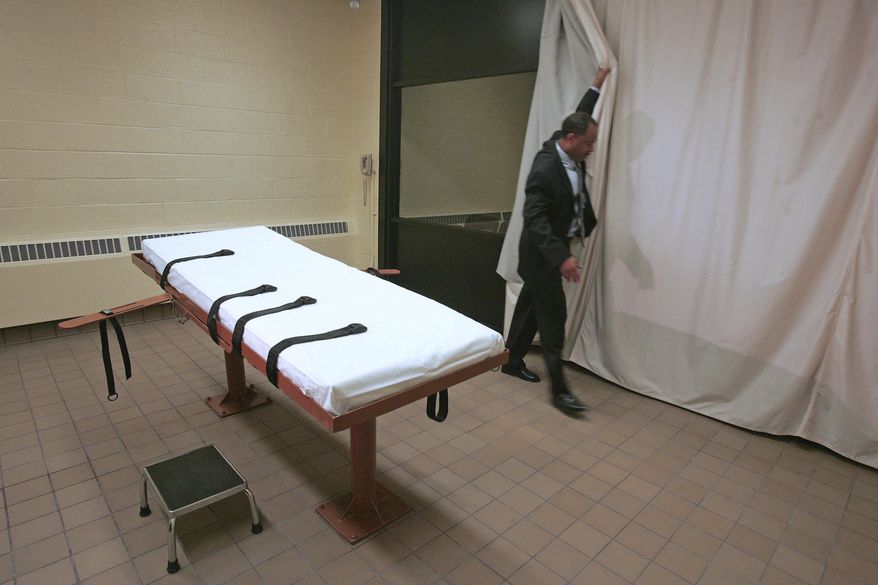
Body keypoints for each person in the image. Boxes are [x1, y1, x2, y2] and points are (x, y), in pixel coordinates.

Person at [502, 66, 609, 415]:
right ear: (571, 140)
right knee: (552, 319)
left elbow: (581, 118)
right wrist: (561, 256)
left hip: (549, 253)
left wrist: (595, 85)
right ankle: (559, 391)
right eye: (589, 143)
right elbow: (534, 219)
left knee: (530, 307)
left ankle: (511, 359)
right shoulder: (546, 167)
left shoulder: (570, 143)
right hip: (542, 255)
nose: (592, 150)